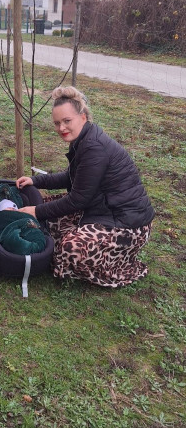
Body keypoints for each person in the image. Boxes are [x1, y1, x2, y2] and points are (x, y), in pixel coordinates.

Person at [16, 86, 155, 288]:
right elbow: (72, 177)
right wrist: (36, 181)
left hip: (129, 224)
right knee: (49, 218)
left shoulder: (94, 147)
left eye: (66, 121)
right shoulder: (82, 139)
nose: (61, 128)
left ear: (82, 117)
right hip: (101, 209)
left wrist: (36, 211)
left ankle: (121, 265)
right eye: (57, 123)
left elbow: (78, 199)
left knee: (68, 248)